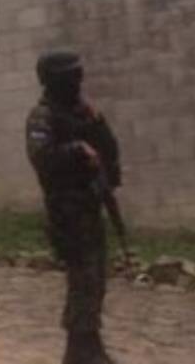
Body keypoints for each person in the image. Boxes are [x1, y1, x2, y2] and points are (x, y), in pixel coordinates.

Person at [25, 50, 122, 364]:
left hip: (89, 206)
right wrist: (76, 150)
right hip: (66, 211)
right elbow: (42, 157)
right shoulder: (42, 117)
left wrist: (97, 122)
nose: (78, 83)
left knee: (95, 279)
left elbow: (109, 151)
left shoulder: (80, 113)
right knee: (83, 278)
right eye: (72, 76)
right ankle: (81, 349)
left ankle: (87, 345)